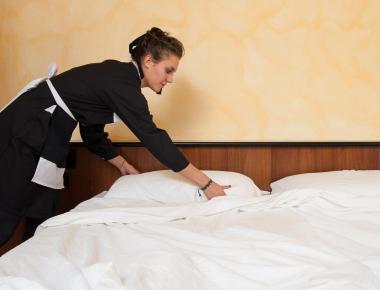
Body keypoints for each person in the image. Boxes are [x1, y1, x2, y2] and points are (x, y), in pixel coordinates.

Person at [0, 27, 229, 247]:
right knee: (8, 209)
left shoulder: (117, 78)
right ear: (148, 61)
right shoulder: (122, 83)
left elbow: (91, 133)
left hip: (47, 132)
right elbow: (154, 138)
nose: (170, 79)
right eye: (168, 70)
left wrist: (121, 163)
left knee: (41, 208)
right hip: (29, 128)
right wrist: (206, 183)